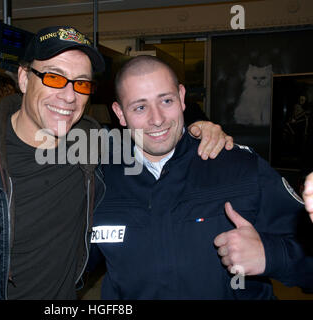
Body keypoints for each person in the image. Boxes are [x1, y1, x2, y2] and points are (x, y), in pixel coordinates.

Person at [0, 26, 231, 300]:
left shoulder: (96, 145)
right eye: (54, 77)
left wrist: (196, 131)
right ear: (24, 78)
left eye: (82, 84)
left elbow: (155, 135)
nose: (69, 96)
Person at [89, 55, 312, 299]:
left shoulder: (239, 167)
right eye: (140, 107)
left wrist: (271, 255)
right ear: (120, 113)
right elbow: (73, 267)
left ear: (182, 97)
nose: (157, 119)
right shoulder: (100, 181)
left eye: (166, 100)